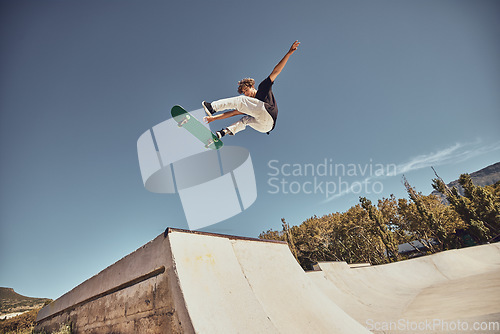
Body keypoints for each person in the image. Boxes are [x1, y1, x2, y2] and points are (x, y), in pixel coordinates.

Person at [202, 40, 300, 139]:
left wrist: (289, 53)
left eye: (246, 90)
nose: (245, 94)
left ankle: (213, 107)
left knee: (241, 100)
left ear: (252, 86)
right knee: (245, 119)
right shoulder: (251, 107)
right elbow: (233, 113)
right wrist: (213, 118)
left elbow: (276, 71)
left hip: (268, 112)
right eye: (243, 92)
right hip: (265, 127)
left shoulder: (263, 87)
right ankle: (224, 132)